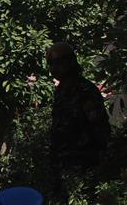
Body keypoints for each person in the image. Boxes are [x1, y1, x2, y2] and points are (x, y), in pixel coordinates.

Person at [46, 42, 110, 170]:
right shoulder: (61, 91)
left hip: (83, 162)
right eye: (50, 63)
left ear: (70, 62)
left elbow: (99, 126)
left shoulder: (85, 90)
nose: (53, 68)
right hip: (62, 162)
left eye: (58, 62)